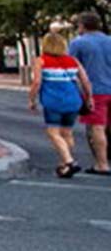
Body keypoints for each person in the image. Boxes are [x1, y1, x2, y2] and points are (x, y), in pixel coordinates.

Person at [31, 28, 93, 178]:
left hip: (53, 101)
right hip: (73, 101)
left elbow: (37, 82)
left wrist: (31, 99)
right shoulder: (73, 61)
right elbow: (85, 80)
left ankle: (69, 161)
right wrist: (89, 97)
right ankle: (64, 164)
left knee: (53, 132)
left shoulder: (41, 60)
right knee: (67, 133)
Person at [68, 11, 111, 175]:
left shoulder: (78, 43)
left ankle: (102, 164)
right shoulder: (109, 40)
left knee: (97, 128)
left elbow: (71, 66)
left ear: (82, 26)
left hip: (96, 90)